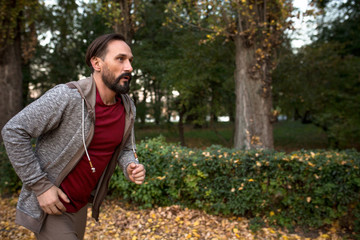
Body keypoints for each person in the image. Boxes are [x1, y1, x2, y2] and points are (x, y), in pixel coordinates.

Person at [1, 33, 146, 240]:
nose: (129, 67)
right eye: (120, 59)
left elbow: (123, 148)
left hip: (80, 206)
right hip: (52, 205)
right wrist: (41, 187)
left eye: (130, 60)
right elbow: (14, 130)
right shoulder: (67, 97)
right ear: (97, 63)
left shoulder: (126, 106)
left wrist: (130, 164)